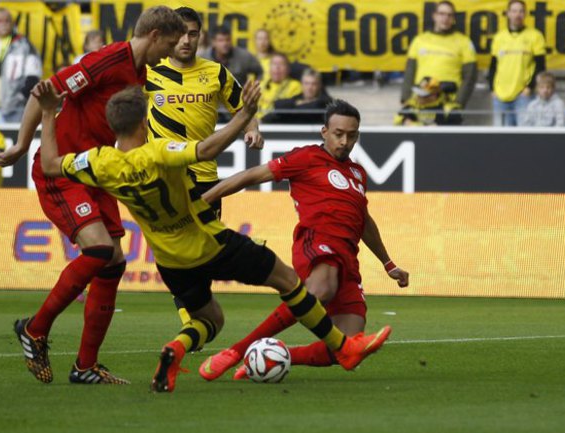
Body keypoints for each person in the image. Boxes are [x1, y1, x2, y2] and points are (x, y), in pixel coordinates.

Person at [33, 80, 391, 393]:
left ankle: (176, 347)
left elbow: (49, 164)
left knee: (209, 320)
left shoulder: (98, 162)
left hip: (169, 259)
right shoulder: (159, 151)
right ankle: (342, 347)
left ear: (112, 125)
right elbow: (205, 150)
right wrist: (244, 114)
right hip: (209, 242)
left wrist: (49, 114)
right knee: (289, 282)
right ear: (144, 122)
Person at [0, 6, 186, 385]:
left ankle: (85, 366)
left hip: (94, 171)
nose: (168, 54)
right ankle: (34, 329)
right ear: (155, 35)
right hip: (62, 170)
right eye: (169, 45)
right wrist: (21, 144)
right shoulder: (109, 60)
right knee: (98, 250)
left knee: (113, 263)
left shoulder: (140, 74)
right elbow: (44, 92)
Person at [198, 99, 409, 381]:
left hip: (348, 257)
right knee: (321, 289)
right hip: (317, 241)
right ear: (324, 132)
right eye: (338, 134)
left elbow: (363, 220)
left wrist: (388, 263)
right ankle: (236, 351)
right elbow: (250, 175)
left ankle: (270, 358)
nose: (344, 142)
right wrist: (202, 201)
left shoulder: (358, 173)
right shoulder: (306, 157)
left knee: (349, 346)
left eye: (351, 135)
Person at [145, 7, 263, 323]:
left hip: (205, 177)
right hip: (165, 177)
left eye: (193, 34)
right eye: (180, 33)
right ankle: (191, 320)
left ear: (201, 37)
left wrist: (253, 130)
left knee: (204, 252)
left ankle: (196, 318)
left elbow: (244, 108)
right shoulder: (149, 71)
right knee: (172, 250)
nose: (186, 40)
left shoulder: (216, 73)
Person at [401, 1, 477, 115]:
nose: (445, 18)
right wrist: (405, 100)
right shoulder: (419, 40)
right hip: (420, 103)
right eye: (441, 14)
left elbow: (470, 77)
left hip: (448, 106)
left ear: (453, 18)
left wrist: (459, 103)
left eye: (449, 15)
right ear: (434, 16)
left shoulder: (464, 42)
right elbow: (409, 73)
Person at [0, 8, 42, 122]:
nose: (3, 24)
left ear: (12, 22)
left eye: (7, 21)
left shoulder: (23, 44)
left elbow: (33, 76)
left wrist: (20, 98)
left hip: (14, 109)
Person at [488, 0, 546, 126]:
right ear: (508, 13)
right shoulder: (499, 37)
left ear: (525, 14)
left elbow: (541, 66)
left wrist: (529, 88)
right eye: (514, 11)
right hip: (500, 96)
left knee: (524, 134)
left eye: (521, 11)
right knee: (500, 135)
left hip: (523, 95)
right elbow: (493, 66)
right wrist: (492, 89)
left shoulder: (535, 36)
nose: (517, 15)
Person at [261, 68, 332, 124]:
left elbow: (315, 106)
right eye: (306, 83)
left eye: (313, 84)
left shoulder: (326, 102)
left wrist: (296, 105)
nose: (309, 87)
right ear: (302, 85)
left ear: (319, 85)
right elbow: (278, 105)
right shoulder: (297, 99)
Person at [394, 76, 462, 126]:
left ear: (434, 95)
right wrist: (404, 121)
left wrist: (414, 125)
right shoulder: (412, 105)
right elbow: (397, 120)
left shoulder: (448, 109)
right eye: (418, 93)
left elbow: (455, 130)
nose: (419, 97)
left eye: (423, 95)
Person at [257, 53, 302, 119]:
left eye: (281, 64)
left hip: (278, 122)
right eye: (274, 64)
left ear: (288, 69)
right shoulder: (260, 85)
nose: (277, 67)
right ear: (269, 68)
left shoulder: (295, 86)